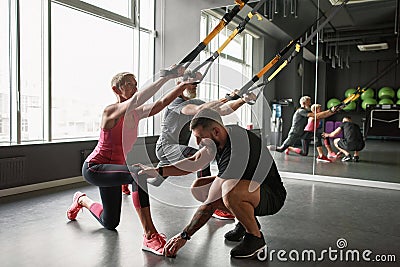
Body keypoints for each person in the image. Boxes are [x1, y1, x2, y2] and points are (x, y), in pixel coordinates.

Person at [66, 67, 198, 256]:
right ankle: (150, 235)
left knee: (110, 223)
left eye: (136, 85)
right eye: (129, 84)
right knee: (138, 174)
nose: (135, 88)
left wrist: (183, 85)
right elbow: (138, 100)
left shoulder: (136, 113)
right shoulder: (110, 111)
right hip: (95, 168)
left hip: (113, 169)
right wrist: (166, 78)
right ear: (116, 89)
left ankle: (81, 199)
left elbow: (161, 103)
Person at [137, 108, 287, 259]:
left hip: (271, 196)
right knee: (199, 188)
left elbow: (210, 203)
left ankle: (255, 238)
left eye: (200, 137)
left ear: (216, 131)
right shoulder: (219, 139)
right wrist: (158, 171)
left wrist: (184, 235)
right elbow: (194, 161)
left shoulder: (238, 146)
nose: (197, 143)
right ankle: (245, 222)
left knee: (228, 190)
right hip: (251, 189)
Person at [153, 75, 256, 220]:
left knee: (154, 180)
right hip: (166, 147)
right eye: (190, 83)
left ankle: (129, 178)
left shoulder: (194, 102)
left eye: (195, 83)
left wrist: (242, 100)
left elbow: (222, 110)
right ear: (179, 84)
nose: (194, 85)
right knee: (203, 157)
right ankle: (211, 204)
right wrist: (229, 96)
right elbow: (200, 109)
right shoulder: (175, 103)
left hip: (176, 148)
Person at [271, 96, 337, 156]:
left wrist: (332, 111)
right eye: (309, 102)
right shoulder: (301, 111)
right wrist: (330, 110)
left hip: (302, 133)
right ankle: (268, 147)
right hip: (295, 133)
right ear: (303, 103)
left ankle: (323, 154)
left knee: (317, 138)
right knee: (281, 149)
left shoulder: (306, 110)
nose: (310, 104)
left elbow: (320, 115)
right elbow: (317, 115)